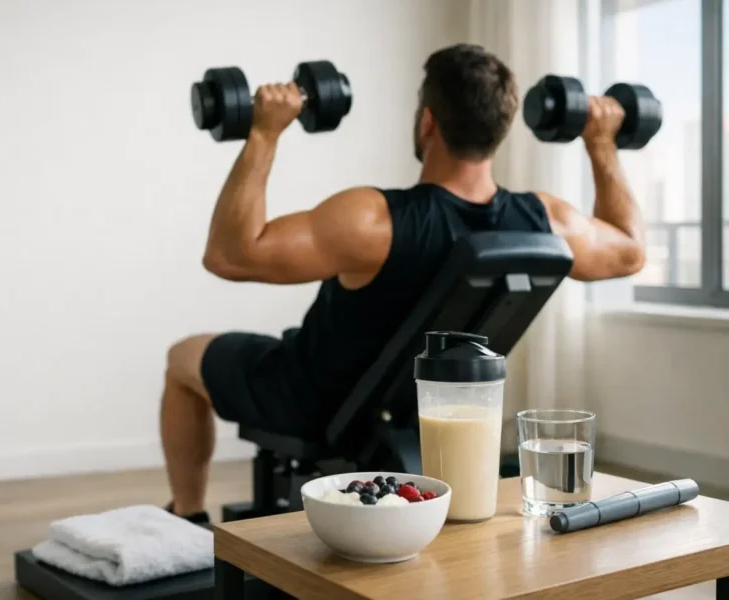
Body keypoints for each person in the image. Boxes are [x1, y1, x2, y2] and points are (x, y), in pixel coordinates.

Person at [160, 43, 645, 523]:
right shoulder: (544, 222)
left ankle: (187, 516)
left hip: (312, 400)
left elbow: (228, 255)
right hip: (432, 413)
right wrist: (600, 142)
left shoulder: (373, 220)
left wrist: (264, 133)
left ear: (428, 121)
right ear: (501, 129)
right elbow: (629, 250)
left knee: (182, 359)